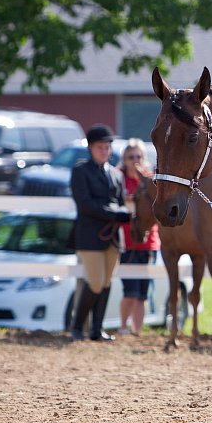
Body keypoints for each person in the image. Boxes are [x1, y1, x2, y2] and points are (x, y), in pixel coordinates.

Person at [69, 124, 131, 342]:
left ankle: (96, 329)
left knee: (106, 283)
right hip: (89, 236)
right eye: (100, 147)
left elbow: (122, 204)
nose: (104, 151)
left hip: (113, 238)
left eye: (107, 147)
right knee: (95, 282)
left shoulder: (116, 175)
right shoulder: (80, 171)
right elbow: (85, 205)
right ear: (90, 148)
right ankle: (77, 327)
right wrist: (116, 215)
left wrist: (122, 213)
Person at [118, 139, 160, 336]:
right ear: (124, 159)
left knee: (143, 293)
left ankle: (137, 330)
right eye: (131, 157)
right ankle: (123, 326)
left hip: (149, 241)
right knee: (129, 291)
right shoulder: (119, 178)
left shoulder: (151, 181)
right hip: (126, 240)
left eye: (138, 156)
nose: (135, 160)